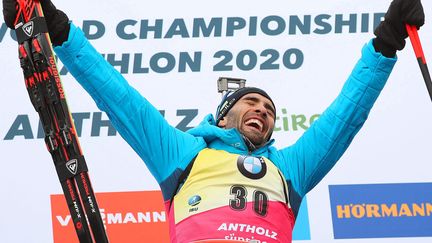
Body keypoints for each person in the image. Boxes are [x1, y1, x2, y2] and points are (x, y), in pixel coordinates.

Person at [2, 0, 425, 242]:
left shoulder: (289, 169)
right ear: (225, 113)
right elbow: (119, 97)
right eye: (253, 102)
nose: (263, 110)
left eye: (270, 110)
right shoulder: (184, 154)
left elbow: (344, 116)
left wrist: (387, 42)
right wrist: (58, 29)